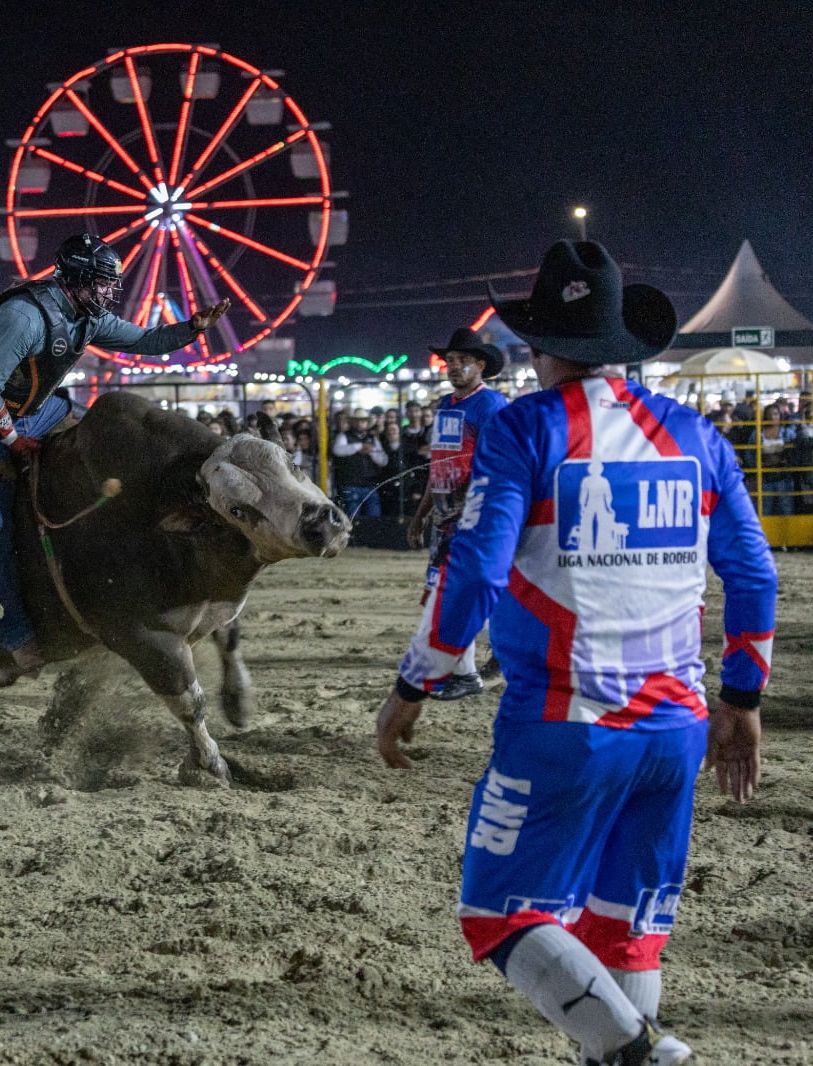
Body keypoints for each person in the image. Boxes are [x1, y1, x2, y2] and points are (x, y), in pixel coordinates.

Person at [375, 241, 776, 1066]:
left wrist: (413, 684)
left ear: (536, 346)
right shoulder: (696, 437)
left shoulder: (525, 429)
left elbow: (476, 574)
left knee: (500, 914)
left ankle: (644, 1055)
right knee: (625, 936)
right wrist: (742, 699)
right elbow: (755, 576)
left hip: (565, 722)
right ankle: (632, 1049)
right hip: (677, 732)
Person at [0, 232, 229, 684]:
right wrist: (13, 440)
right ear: (77, 279)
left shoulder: (87, 315)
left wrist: (193, 328)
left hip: (41, 413)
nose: (111, 293)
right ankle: (11, 635)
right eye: (103, 284)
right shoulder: (24, 316)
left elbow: (145, 339)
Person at [405, 327, 510, 700]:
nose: (454, 366)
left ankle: (466, 671)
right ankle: (487, 658)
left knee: (455, 590)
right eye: (450, 360)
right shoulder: (446, 407)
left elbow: (497, 462)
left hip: (475, 516)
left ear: (481, 364)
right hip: (446, 517)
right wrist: (422, 515)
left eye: (463, 360)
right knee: (456, 589)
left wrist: (470, 505)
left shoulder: (490, 406)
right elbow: (440, 468)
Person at [330, 408, 388, 516]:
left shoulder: (372, 438)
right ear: (353, 422)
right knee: (353, 518)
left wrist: (371, 451)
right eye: (358, 420)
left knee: (374, 518)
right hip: (351, 484)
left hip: (370, 484)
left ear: (367, 423)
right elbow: (337, 450)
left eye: (363, 421)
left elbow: (383, 460)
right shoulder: (344, 436)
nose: (361, 423)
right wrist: (359, 446)